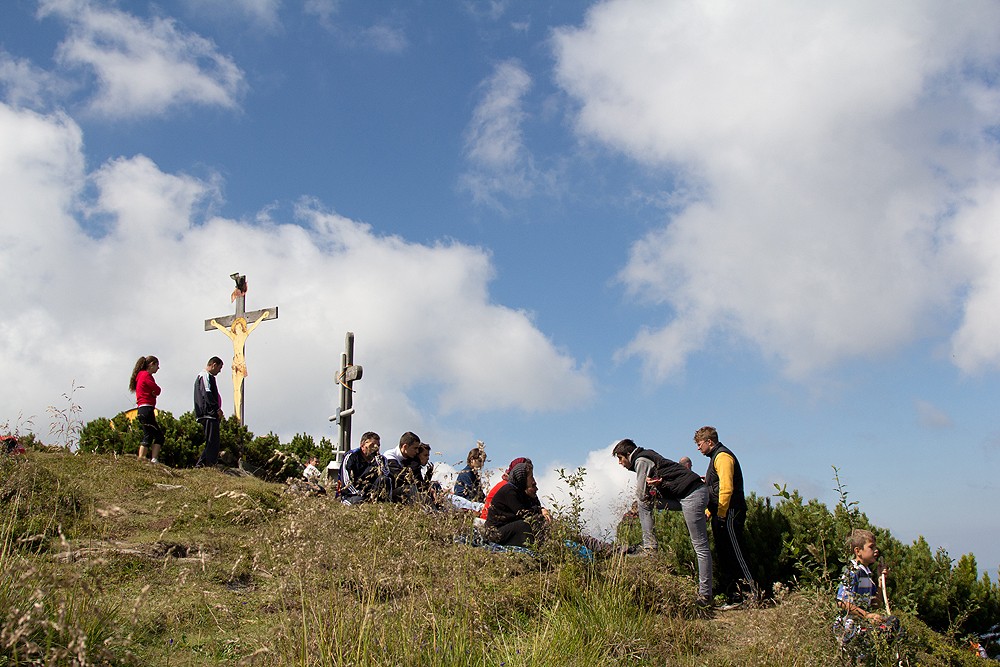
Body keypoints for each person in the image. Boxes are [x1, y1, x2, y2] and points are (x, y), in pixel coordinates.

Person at [613, 438, 713, 604]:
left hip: (692, 495)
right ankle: (650, 547)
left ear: (627, 455)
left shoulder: (641, 460)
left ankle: (705, 595)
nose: (620, 463)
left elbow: (641, 493)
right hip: (684, 495)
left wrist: (652, 488)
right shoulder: (646, 456)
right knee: (646, 503)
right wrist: (658, 485)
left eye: (620, 458)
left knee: (700, 545)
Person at [695, 425, 756, 604]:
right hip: (722, 512)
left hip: (730, 512)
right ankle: (734, 596)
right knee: (725, 555)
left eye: (700, 444)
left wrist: (721, 513)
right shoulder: (715, 457)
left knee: (736, 552)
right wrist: (709, 511)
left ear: (709, 441)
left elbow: (726, 487)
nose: (698, 448)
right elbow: (715, 488)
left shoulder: (722, 457)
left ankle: (751, 594)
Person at [834, 529, 902, 657]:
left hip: (861, 627)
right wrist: (866, 615)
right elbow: (841, 602)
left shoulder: (866, 574)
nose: (875, 550)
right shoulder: (853, 572)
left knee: (893, 624)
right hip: (849, 629)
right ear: (858, 551)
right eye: (871, 547)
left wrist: (880, 580)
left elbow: (875, 604)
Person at [484, 461, 545, 547]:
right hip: (495, 532)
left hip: (507, 527)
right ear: (523, 478)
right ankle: (535, 549)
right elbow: (523, 513)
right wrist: (539, 510)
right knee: (525, 524)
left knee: (538, 520)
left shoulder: (520, 491)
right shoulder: (509, 491)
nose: (532, 479)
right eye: (530, 477)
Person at [129, 355, 164, 463]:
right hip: (147, 408)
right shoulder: (146, 375)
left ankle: (142, 458)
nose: (158, 368)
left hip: (141, 409)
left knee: (148, 434)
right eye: (157, 365)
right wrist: (154, 392)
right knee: (158, 436)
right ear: (151, 364)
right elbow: (157, 389)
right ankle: (153, 458)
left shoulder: (139, 376)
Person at [340, 432, 390, 504]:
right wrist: (358, 493)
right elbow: (346, 481)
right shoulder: (351, 456)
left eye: (378, 445)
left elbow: (386, 476)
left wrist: (379, 462)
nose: (375, 447)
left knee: (384, 479)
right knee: (358, 501)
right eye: (372, 445)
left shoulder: (381, 459)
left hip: (372, 493)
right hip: (352, 494)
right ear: (362, 445)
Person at [194, 357, 225, 467]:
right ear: (214, 365)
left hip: (209, 413)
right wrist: (216, 409)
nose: (219, 371)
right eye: (219, 368)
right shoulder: (205, 375)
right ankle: (209, 464)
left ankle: (202, 463)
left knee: (211, 440)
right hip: (208, 413)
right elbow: (206, 393)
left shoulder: (207, 376)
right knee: (213, 441)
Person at [383, 432, 423, 502]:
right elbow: (401, 477)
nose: (417, 451)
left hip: (403, 491)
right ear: (405, 447)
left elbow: (418, 479)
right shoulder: (389, 455)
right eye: (415, 448)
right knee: (410, 489)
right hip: (390, 494)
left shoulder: (410, 459)